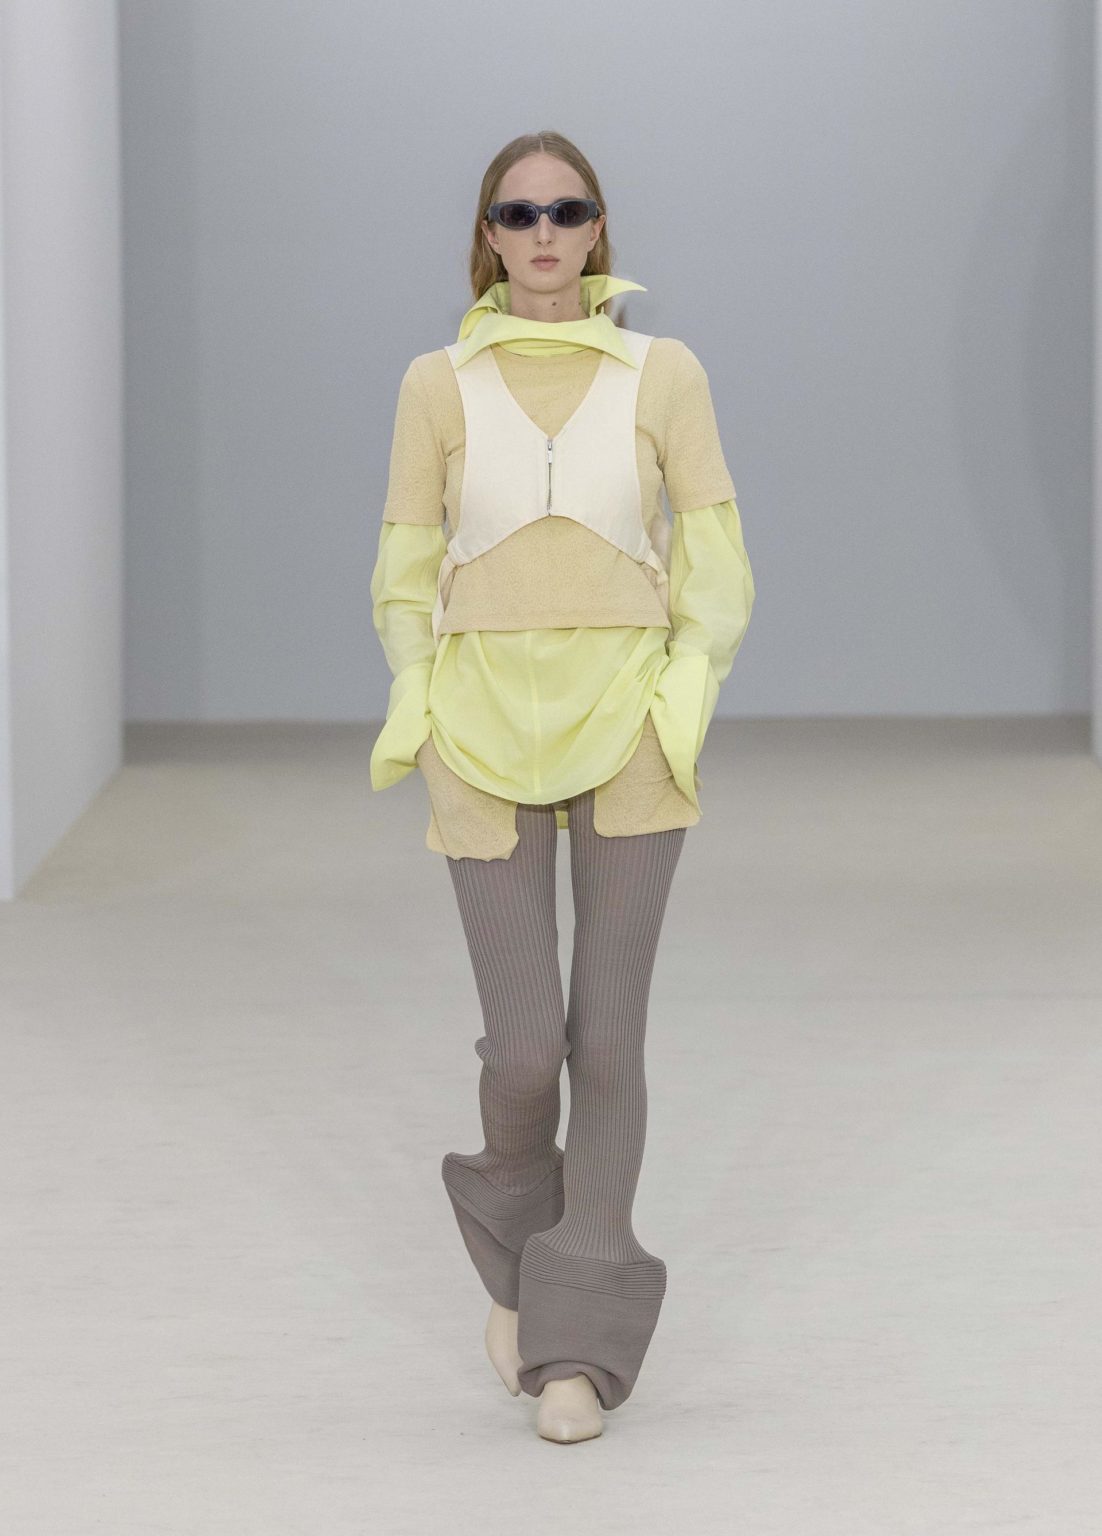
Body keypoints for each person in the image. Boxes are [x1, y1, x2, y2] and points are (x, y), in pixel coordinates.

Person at [370, 130, 755, 1442]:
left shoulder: (664, 372)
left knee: (609, 1037)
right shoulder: (435, 382)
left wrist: (678, 700)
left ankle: (575, 1347)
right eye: (518, 212)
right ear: (487, 234)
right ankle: (517, 1249)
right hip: (476, 725)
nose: (543, 232)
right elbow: (403, 564)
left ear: (599, 229)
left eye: (566, 209)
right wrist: (420, 703)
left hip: (627, 720)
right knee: (527, 1045)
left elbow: (712, 555)